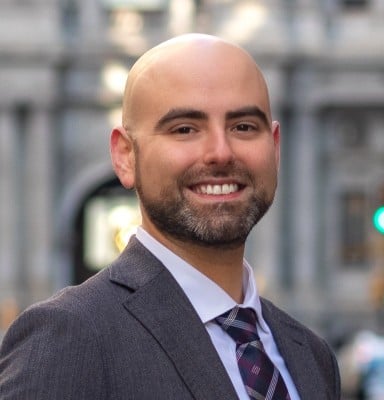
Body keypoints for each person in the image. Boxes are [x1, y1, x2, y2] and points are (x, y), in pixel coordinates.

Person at [0, 33, 341, 399]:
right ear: (125, 156)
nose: (221, 152)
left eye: (243, 127)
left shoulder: (311, 356)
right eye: (185, 129)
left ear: (274, 147)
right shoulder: (67, 337)